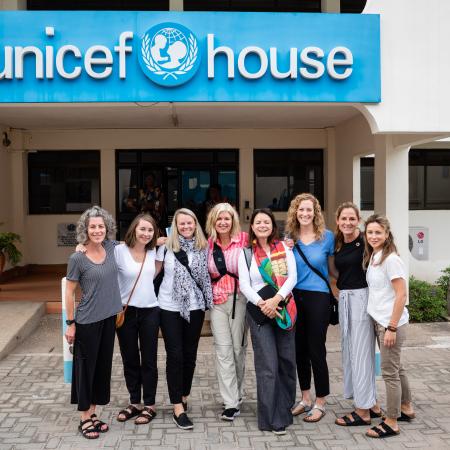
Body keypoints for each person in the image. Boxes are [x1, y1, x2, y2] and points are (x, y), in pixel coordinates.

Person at [64, 206, 122, 440]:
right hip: (87, 321)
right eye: (93, 227)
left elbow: (139, 242)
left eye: (101, 226)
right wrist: (70, 323)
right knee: (85, 370)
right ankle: (84, 418)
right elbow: (69, 293)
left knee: (101, 368)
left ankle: (94, 413)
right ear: (85, 230)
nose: (97, 230)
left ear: (106, 228)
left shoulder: (111, 247)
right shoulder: (77, 257)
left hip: (109, 319)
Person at [238, 208, 297, 435]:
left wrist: (276, 300)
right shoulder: (245, 254)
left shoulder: (283, 248)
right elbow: (244, 285)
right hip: (260, 314)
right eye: (258, 222)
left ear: (273, 226)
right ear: (252, 226)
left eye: (266, 222)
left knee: (286, 362)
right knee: (267, 367)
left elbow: (292, 277)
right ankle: (270, 417)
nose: (262, 225)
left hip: (284, 311)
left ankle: (284, 409)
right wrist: (264, 305)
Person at [156, 208, 213, 430]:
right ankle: (177, 406)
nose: (186, 227)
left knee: (190, 355)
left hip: (196, 307)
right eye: (181, 224)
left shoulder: (204, 247)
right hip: (169, 307)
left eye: (190, 223)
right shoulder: (165, 247)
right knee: (175, 355)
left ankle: (184, 394)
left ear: (195, 224)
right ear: (176, 226)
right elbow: (151, 268)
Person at [364, 214, 415, 439]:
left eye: (378, 232)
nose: (373, 236)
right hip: (381, 320)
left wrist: (391, 327)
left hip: (389, 323)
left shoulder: (391, 259)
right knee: (397, 367)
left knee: (389, 372)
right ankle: (406, 407)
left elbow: (401, 294)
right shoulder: (375, 255)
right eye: (370, 232)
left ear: (386, 234)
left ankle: (392, 421)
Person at [286, 193, 336, 423]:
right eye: (301, 210)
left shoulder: (327, 237)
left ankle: (321, 401)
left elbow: (335, 271)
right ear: (295, 212)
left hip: (319, 297)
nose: (305, 214)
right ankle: (305, 398)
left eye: (309, 210)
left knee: (317, 349)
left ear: (316, 213)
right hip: (295, 297)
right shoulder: (290, 238)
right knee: (299, 350)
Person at [333, 202, 382, 426]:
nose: (348, 222)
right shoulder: (338, 243)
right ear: (337, 221)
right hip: (345, 299)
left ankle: (362, 412)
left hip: (362, 298)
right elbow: (335, 273)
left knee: (362, 353)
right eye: (344, 218)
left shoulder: (366, 241)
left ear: (358, 220)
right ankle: (370, 402)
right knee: (351, 352)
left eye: (352, 218)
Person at [114, 214, 161, 425]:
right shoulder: (118, 250)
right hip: (126, 310)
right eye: (142, 229)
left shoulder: (155, 251)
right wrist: (81, 247)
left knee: (149, 359)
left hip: (151, 310)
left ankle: (149, 404)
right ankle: (135, 402)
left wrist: (161, 239)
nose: (146, 234)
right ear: (134, 229)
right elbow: (96, 248)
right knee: (129, 357)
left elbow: (171, 240)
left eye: (150, 230)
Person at [205, 203, 249, 421]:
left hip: (240, 300)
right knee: (223, 351)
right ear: (213, 221)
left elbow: (267, 247)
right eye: (219, 218)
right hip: (217, 302)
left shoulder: (244, 240)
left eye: (227, 218)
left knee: (238, 350)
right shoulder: (207, 244)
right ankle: (230, 402)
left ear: (233, 221)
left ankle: (238, 394)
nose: (223, 222)